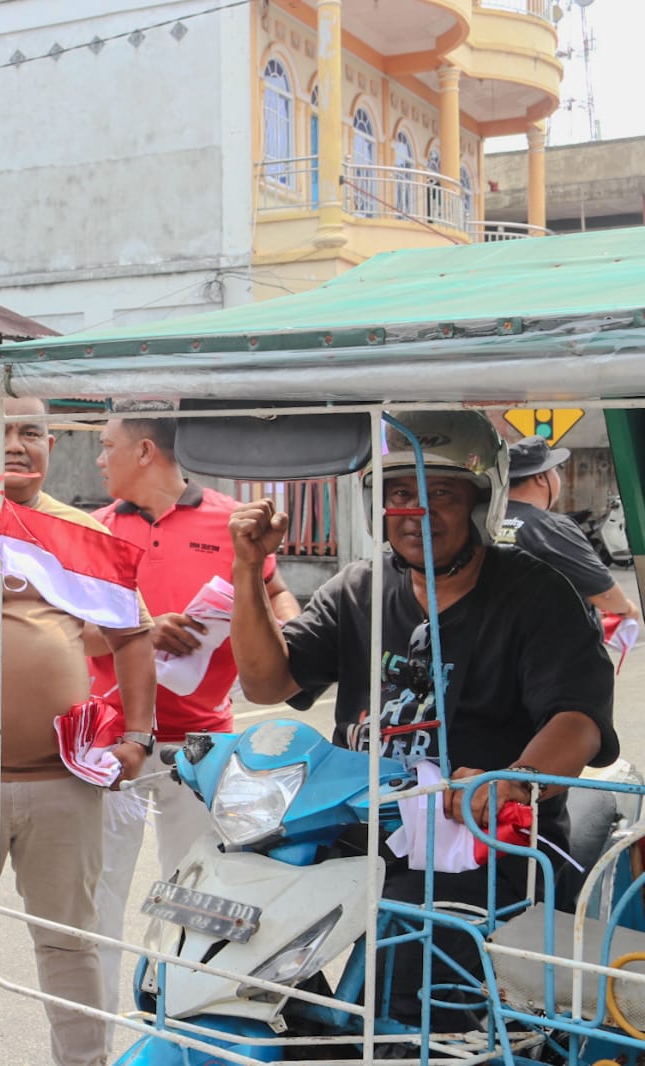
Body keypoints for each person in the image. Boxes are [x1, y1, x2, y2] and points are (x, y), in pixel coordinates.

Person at [229, 410, 617, 1031]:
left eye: (442, 494)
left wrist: (510, 781)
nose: (416, 512)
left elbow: (578, 720)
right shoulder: (358, 589)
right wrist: (248, 570)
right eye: (401, 493)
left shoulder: (538, 595)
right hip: (358, 826)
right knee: (241, 909)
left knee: (407, 958)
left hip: (481, 842)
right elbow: (267, 683)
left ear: (483, 503)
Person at [0, 397, 155, 1066]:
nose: (16, 445)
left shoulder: (80, 529)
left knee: (71, 941)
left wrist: (138, 736)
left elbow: (132, 634)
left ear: (51, 446)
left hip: (64, 780)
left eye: (32, 433)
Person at [87, 408, 300, 1044]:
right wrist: (143, 630)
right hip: (114, 741)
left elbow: (278, 594)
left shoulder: (231, 522)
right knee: (99, 895)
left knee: (196, 898)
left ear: (145, 451)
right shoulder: (96, 529)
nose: (99, 459)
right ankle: (96, 1035)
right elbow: (69, 630)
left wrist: (287, 631)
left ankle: (183, 1030)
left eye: (106, 446)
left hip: (202, 743)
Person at [499, 434, 640, 625]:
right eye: (554, 470)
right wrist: (628, 609)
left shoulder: (481, 521)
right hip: (545, 638)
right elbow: (605, 594)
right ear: (540, 478)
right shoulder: (551, 527)